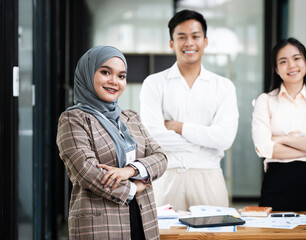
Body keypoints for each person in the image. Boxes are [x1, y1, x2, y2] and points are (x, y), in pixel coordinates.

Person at [56, 46, 167, 239]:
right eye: (105, 72)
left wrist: (130, 170)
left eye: (121, 76)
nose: (114, 81)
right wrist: (133, 187)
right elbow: (86, 171)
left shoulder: (130, 118)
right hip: (101, 225)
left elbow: (161, 158)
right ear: (88, 74)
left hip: (143, 220)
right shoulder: (73, 119)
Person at [139, 10, 239, 211]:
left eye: (195, 36)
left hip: (208, 177)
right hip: (166, 176)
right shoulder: (154, 83)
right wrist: (201, 143)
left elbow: (225, 138)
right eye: (181, 37)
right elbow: (151, 135)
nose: (189, 43)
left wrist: (180, 127)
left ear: (205, 41)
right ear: (171, 43)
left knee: (215, 234)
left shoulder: (224, 86)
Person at [251, 38, 306, 211]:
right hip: (276, 180)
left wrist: (281, 139)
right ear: (276, 69)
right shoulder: (265, 100)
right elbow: (262, 148)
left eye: (296, 58)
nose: (291, 65)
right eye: (283, 61)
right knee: (271, 235)